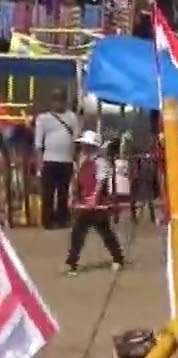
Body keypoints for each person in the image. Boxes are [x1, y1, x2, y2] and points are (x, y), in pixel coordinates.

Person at [64, 132, 126, 276]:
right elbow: (76, 180)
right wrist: (72, 196)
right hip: (84, 203)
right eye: (84, 145)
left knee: (106, 233)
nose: (85, 148)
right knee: (77, 233)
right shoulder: (81, 161)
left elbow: (100, 183)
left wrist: (94, 199)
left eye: (87, 145)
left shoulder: (101, 163)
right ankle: (71, 262)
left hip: (98, 205)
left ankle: (118, 258)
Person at [35, 88, 80, 229]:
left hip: (66, 161)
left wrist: (77, 160)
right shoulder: (43, 119)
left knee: (63, 192)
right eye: (56, 100)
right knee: (48, 193)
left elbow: (76, 139)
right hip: (49, 161)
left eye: (61, 100)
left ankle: (62, 219)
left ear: (65, 101)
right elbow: (38, 143)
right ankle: (47, 221)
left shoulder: (72, 117)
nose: (58, 103)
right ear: (52, 101)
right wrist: (39, 164)